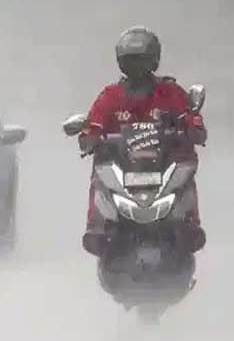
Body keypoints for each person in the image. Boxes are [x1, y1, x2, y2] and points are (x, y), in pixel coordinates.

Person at [78, 26, 207, 255]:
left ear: (154, 61)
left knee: (187, 167)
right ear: (121, 62)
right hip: (123, 169)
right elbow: (93, 125)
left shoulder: (170, 92)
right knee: (98, 173)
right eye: (131, 61)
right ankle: (96, 224)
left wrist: (192, 128)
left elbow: (191, 120)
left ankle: (190, 221)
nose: (136, 67)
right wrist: (89, 136)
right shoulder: (111, 95)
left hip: (164, 166)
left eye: (142, 61)